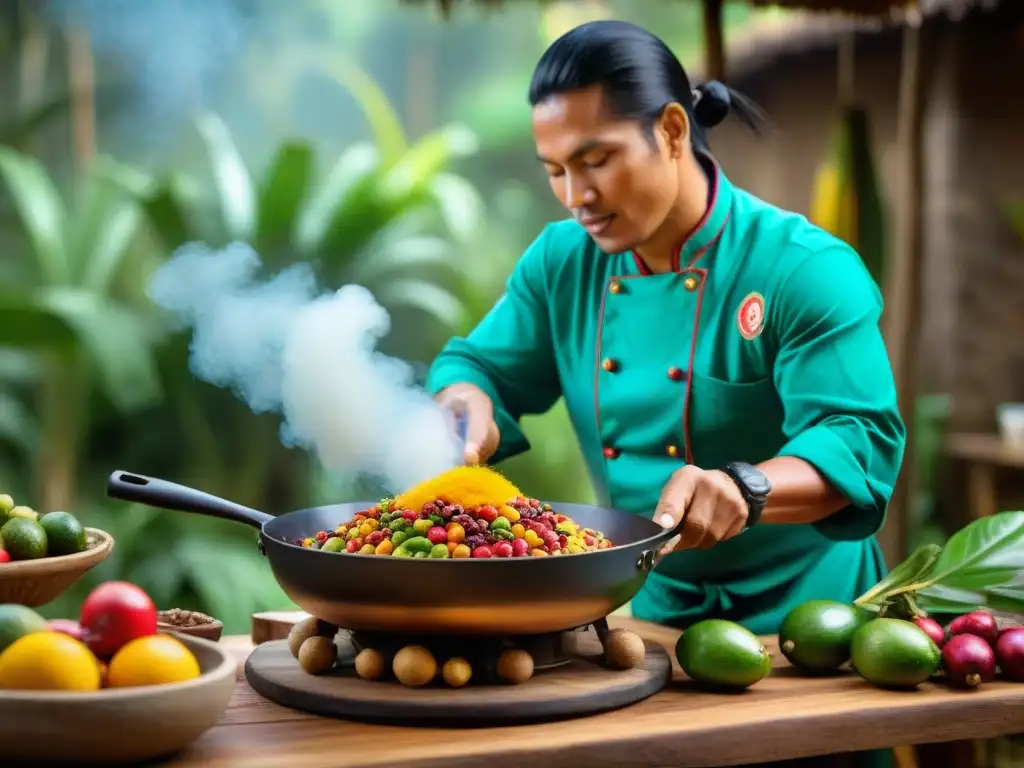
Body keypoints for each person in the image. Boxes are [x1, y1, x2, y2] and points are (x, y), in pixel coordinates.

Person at [427, 19, 904, 767]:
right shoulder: (563, 264)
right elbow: (478, 365)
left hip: (808, 641)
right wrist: (466, 404)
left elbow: (856, 438)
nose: (575, 196)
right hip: (645, 631)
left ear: (674, 130)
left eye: (596, 161)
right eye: (554, 169)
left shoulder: (803, 269)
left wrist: (744, 486)